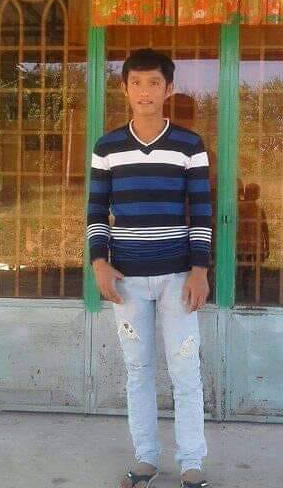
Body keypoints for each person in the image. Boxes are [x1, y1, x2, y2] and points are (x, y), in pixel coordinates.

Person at [86, 48, 212, 488]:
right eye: (136, 83)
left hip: (178, 278)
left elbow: (202, 211)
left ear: (168, 89)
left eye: (154, 82)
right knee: (138, 371)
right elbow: (96, 211)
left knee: (185, 370)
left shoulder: (189, 146)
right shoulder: (107, 147)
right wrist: (99, 263)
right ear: (124, 89)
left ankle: (192, 462)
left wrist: (199, 270)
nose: (145, 91)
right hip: (127, 282)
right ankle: (146, 459)